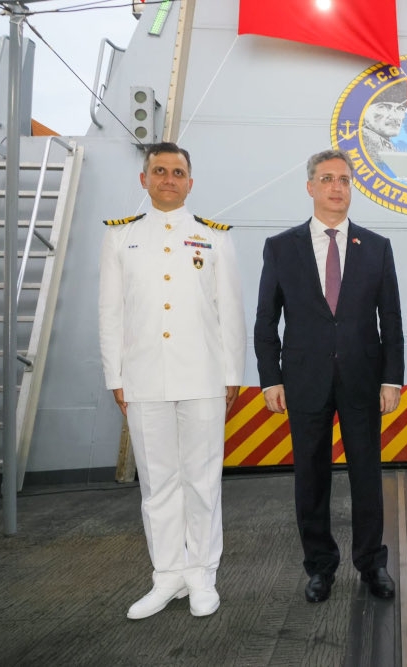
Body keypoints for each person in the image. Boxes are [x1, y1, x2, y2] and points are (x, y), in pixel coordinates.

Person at [98, 142, 246, 619]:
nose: (168, 179)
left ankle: (202, 574)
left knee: (202, 482)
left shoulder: (214, 237)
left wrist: (231, 375)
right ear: (144, 180)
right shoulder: (121, 238)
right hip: (143, 378)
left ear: (190, 182)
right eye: (159, 171)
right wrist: (115, 375)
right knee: (157, 483)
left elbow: (230, 313)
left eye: (177, 172)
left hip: (202, 376)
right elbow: (110, 312)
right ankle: (167, 576)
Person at [254, 149, 404, 604]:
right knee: (311, 479)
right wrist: (270, 377)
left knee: (367, 477)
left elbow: (391, 321)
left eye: (344, 179)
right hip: (304, 381)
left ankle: (372, 564)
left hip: (362, 380)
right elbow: (266, 320)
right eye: (327, 179)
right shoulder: (282, 247)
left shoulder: (376, 247)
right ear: (310, 187)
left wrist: (391, 378)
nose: (337, 187)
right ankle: (320, 567)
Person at [362, 85, 407, 165]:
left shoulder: (387, 144)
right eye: (382, 108)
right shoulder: (365, 137)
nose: (395, 117)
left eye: (400, 109)